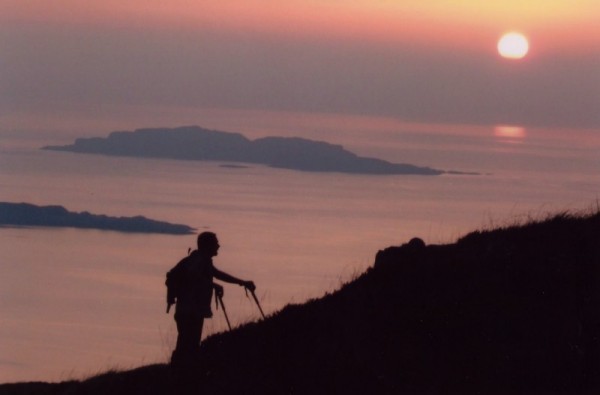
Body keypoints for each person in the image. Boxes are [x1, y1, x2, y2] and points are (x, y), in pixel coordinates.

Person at [169, 231, 255, 367]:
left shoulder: (203, 260)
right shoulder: (199, 260)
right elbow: (193, 274)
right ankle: (179, 376)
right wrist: (212, 284)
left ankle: (178, 374)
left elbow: (218, 274)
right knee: (188, 345)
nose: (218, 246)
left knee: (188, 345)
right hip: (190, 310)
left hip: (188, 310)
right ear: (207, 245)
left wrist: (242, 282)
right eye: (215, 243)